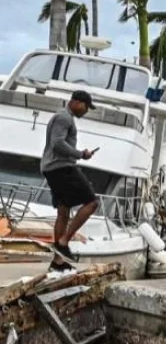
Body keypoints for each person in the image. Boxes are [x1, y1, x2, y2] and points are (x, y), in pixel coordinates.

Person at [41, 90, 99, 268]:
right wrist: (80, 154)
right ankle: (64, 241)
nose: (86, 111)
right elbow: (57, 143)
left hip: (51, 168)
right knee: (92, 202)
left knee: (63, 211)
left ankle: (57, 262)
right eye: (86, 106)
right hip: (62, 167)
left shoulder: (62, 117)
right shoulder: (65, 117)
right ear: (76, 102)